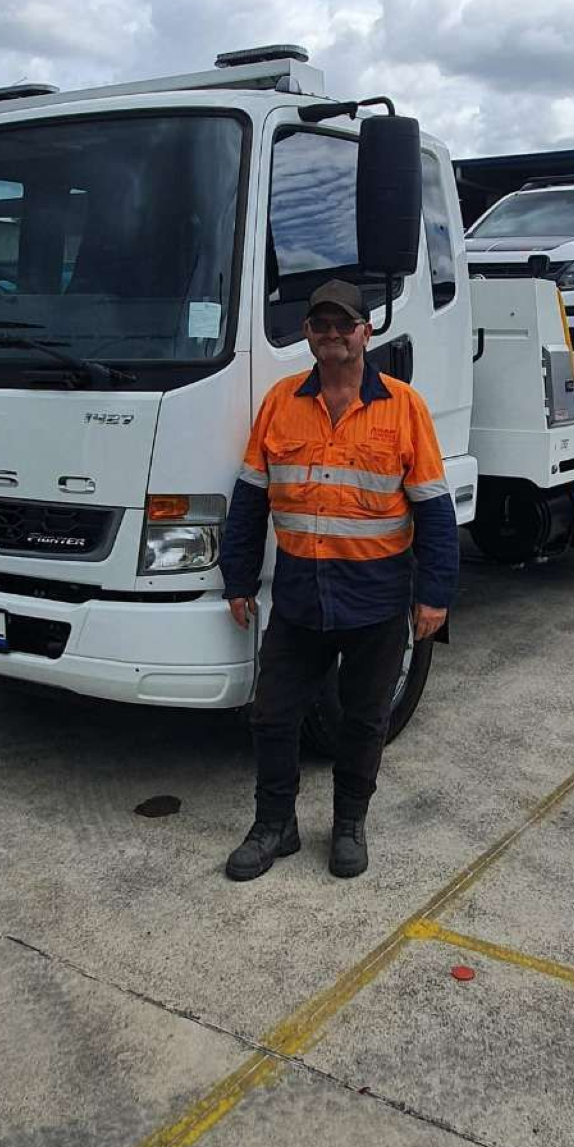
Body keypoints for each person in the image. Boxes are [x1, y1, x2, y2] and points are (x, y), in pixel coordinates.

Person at [219, 279, 459, 882]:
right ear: (306, 332)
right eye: (320, 324)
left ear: (365, 332)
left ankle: (350, 823)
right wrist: (238, 577)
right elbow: (250, 498)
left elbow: (433, 508)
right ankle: (275, 824)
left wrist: (434, 596)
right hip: (300, 595)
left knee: (364, 718)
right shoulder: (279, 402)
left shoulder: (405, 407)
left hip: (376, 598)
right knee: (272, 716)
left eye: (343, 324)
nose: (331, 334)